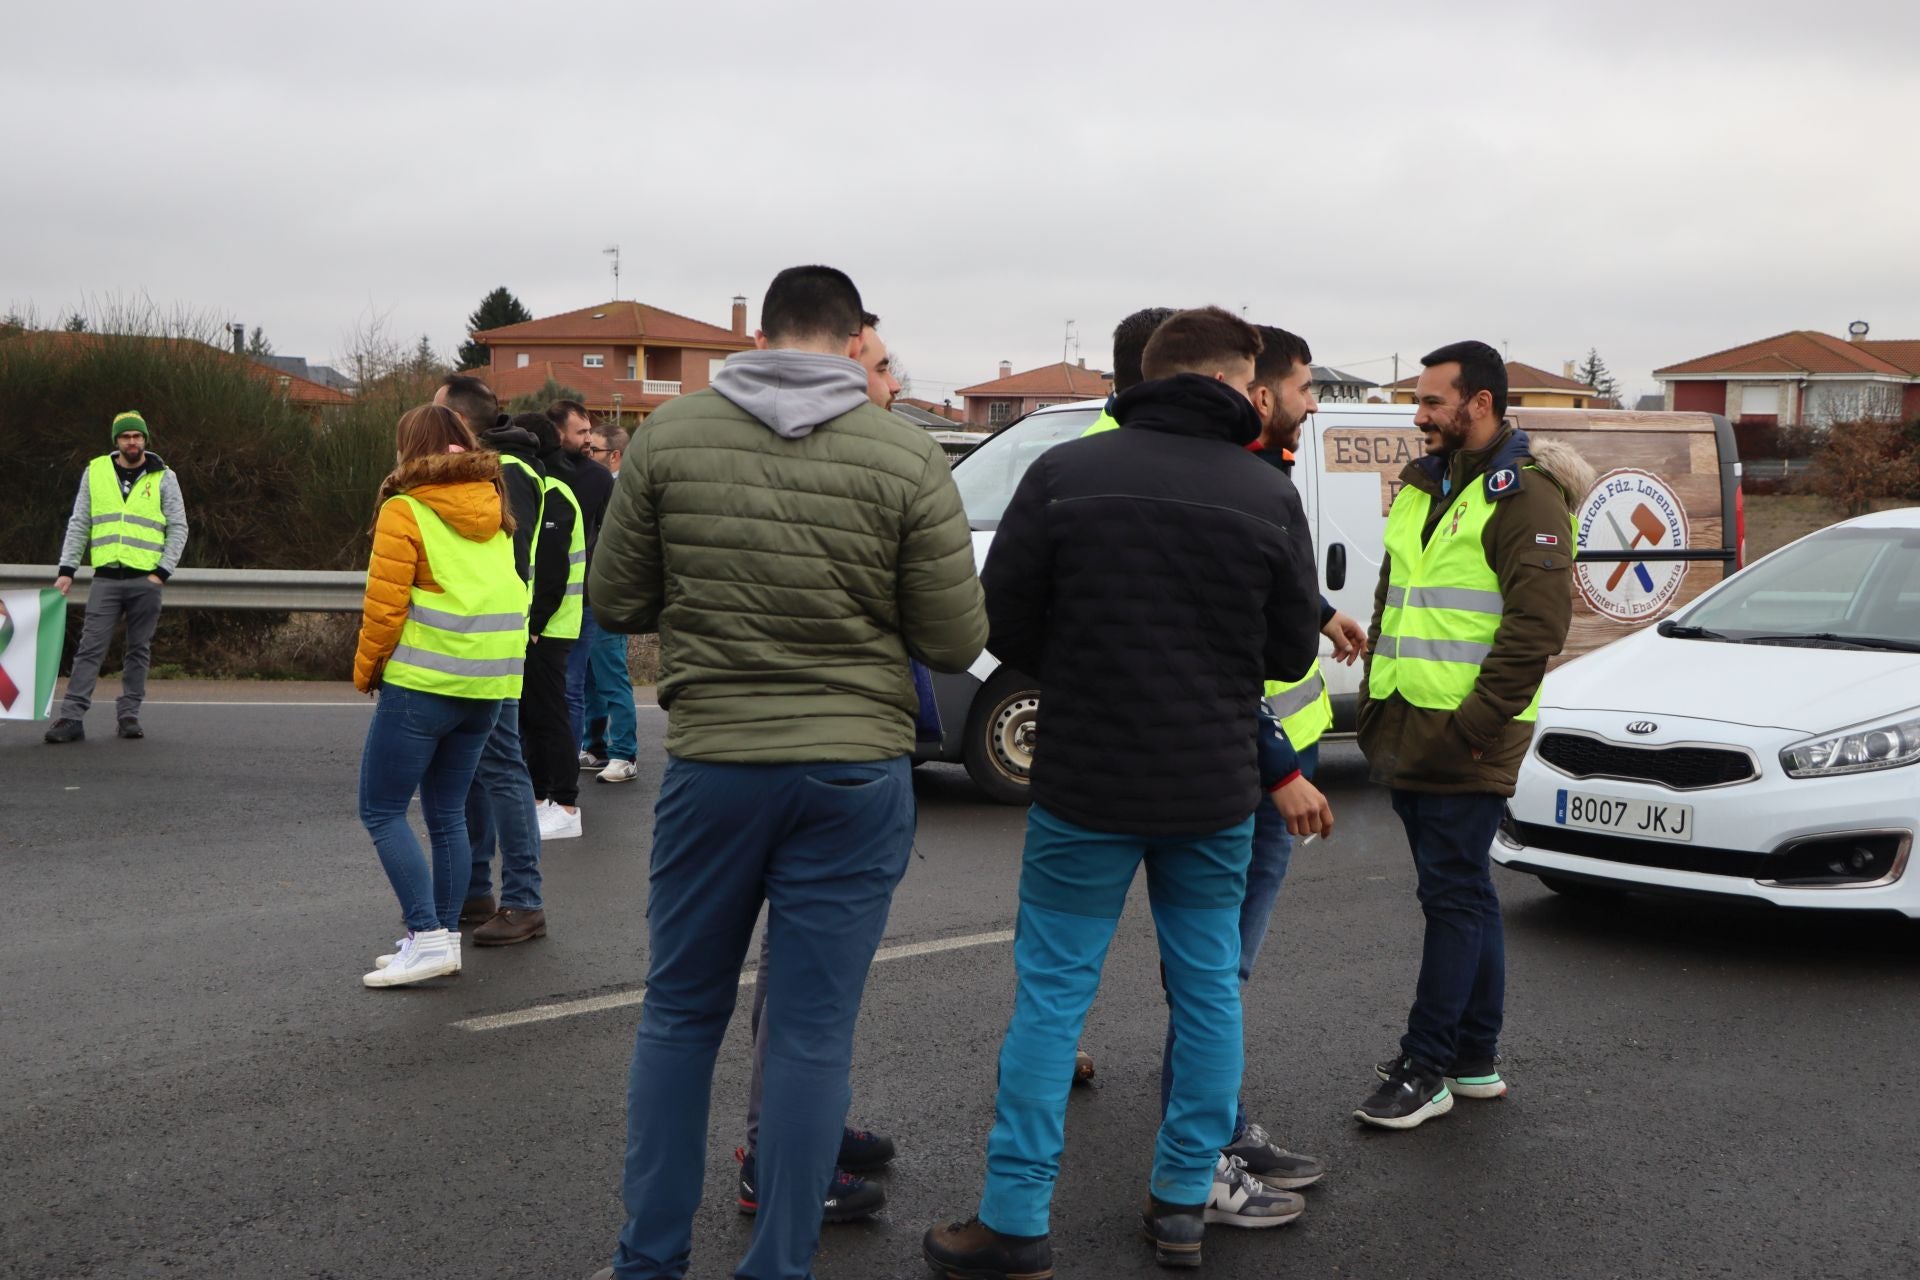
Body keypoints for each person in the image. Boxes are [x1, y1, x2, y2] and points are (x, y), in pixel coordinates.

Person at [585, 265, 986, 1280]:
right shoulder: (907, 455)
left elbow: (618, 599)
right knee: (810, 1035)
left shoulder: (671, 436)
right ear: (855, 343)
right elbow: (952, 631)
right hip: (854, 769)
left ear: (761, 336)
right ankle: (778, 1263)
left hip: (718, 759)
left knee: (680, 1011)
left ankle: (650, 1257)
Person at [924, 307, 1321, 1278]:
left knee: (1053, 1000)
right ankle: (1184, 1203)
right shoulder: (1266, 493)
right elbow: (1288, 651)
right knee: (1208, 990)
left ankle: (1014, 1220)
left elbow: (1004, 630)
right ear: (1240, 384)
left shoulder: (1062, 476)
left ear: (1148, 375)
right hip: (1214, 788)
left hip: (1085, 785)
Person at [1152, 324, 1366, 1202]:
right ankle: (1203, 1147)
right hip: (1245, 762)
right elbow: (1218, 640)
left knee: (1221, 970)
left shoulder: (1261, 477)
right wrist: (1279, 767)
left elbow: (1268, 590)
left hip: (1281, 750)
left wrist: (1319, 612)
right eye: (1306, 388)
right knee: (1215, 971)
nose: (1315, 404)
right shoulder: (1233, 480)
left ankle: (1216, 1124)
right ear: (1258, 393)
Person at [1354, 340, 1590, 1129]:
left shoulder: (1525, 497)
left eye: (1430, 403)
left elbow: (1535, 632)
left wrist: (1474, 728)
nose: (1417, 417)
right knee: (1460, 892)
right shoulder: (1424, 485)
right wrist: (1376, 702)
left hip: (1467, 733)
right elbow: (1397, 597)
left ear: (1479, 403)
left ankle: (1427, 1066)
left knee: (1453, 894)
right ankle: (1475, 1056)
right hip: (1407, 721)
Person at [731, 310, 909, 1228]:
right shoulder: (873, 467)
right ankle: (776, 1157)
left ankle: (803, 1128)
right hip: (828, 755)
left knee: (799, 977)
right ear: (842, 366)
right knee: (810, 988)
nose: (894, 385)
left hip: (764, 750)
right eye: (881, 367)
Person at [351, 404, 524, 988]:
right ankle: (442, 938)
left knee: (380, 809)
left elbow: (384, 604)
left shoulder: (406, 507)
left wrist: (368, 669)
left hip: (422, 684)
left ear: (411, 449)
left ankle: (425, 936)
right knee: (447, 811)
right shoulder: (496, 506)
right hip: (488, 685)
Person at [435, 376, 548, 948]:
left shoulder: (509, 471)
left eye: (436, 413)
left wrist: (514, 634)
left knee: (501, 765)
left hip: (497, 641)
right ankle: (477, 891)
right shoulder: (488, 465)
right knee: (477, 765)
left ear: (459, 420)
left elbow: (513, 562)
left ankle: (524, 901)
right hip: (482, 638)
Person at [44, 411, 189, 744]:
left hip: (146, 580)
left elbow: (178, 526)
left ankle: (129, 716)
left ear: (145, 440)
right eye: (125, 437)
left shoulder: (164, 477)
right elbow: (79, 522)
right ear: (116, 441)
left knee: (138, 649)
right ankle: (71, 718)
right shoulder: (95, 472)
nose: (132, 442)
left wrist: (163, 571)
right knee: (90, 649)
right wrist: (67, 570)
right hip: (106, 579)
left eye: (137, 436)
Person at [518, 412, 587, 840]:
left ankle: (564, 804)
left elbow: (552, 568)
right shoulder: (543, 487)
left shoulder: (553, 492)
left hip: (550, 625)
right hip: (540, 624)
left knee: (550, 715)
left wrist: (537, 622)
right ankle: (542, 796)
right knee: (536, 716)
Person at [549, 399, 616, 764]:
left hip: (583, 598)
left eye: (590, 431)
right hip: (537, 596)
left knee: (572, 686)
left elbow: (611, 534)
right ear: (559, 434)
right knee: (541, 688)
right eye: (582, 431)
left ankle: (565, 764)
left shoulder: (599, 477)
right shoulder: (540, 472)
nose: (589, 438)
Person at [578, 420, 640, 784]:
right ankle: (595, 746)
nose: (588, 454)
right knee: (589, 677)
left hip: (609, 599)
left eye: (594, 450)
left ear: (614, 456)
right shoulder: (596, 488)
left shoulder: (625, 494)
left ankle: (624, 754)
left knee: (611, 676)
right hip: (585, 596)